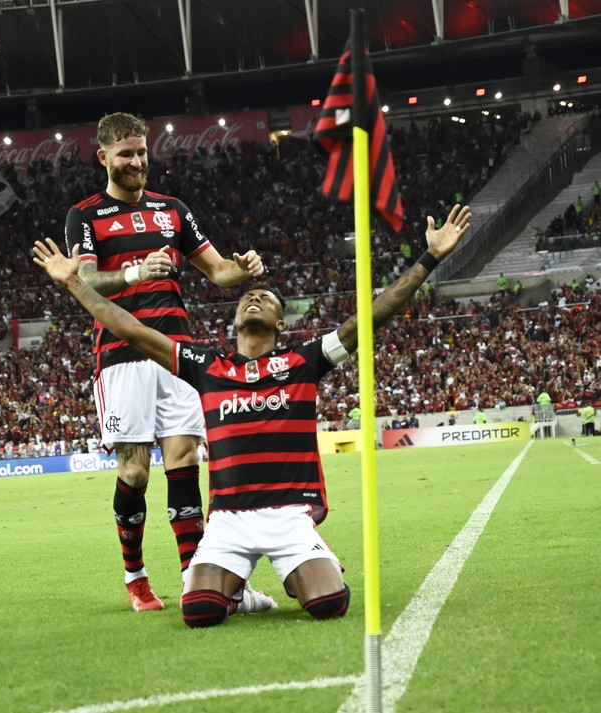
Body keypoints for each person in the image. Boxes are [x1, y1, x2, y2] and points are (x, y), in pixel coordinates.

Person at [35, 202, 472, 628]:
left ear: (281, 323)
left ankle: (301, 563)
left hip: (288, 516)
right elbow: (129, 328)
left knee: (329, 604)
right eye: (248, 297)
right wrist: (73, 283)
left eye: (265, 298)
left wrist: (431, 257)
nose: (255, 299)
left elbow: (373, 316)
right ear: (234, 321)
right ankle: (235, 589)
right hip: (228, 521)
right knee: (198, 613)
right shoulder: (207, 366)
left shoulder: (303, 361)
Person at [63, 112, 264, 611]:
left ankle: (195, 579)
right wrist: (134, 272)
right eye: (125, 154)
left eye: (141, 152)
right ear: (103, 157)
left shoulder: (173, 210)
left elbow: (217, 271)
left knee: (184, 461)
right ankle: (136, 579)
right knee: (134, 472)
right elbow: (85, 279)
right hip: (121, 355)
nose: (136, 162)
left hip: (177, 353)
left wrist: (241, 268)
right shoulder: (85, 215)